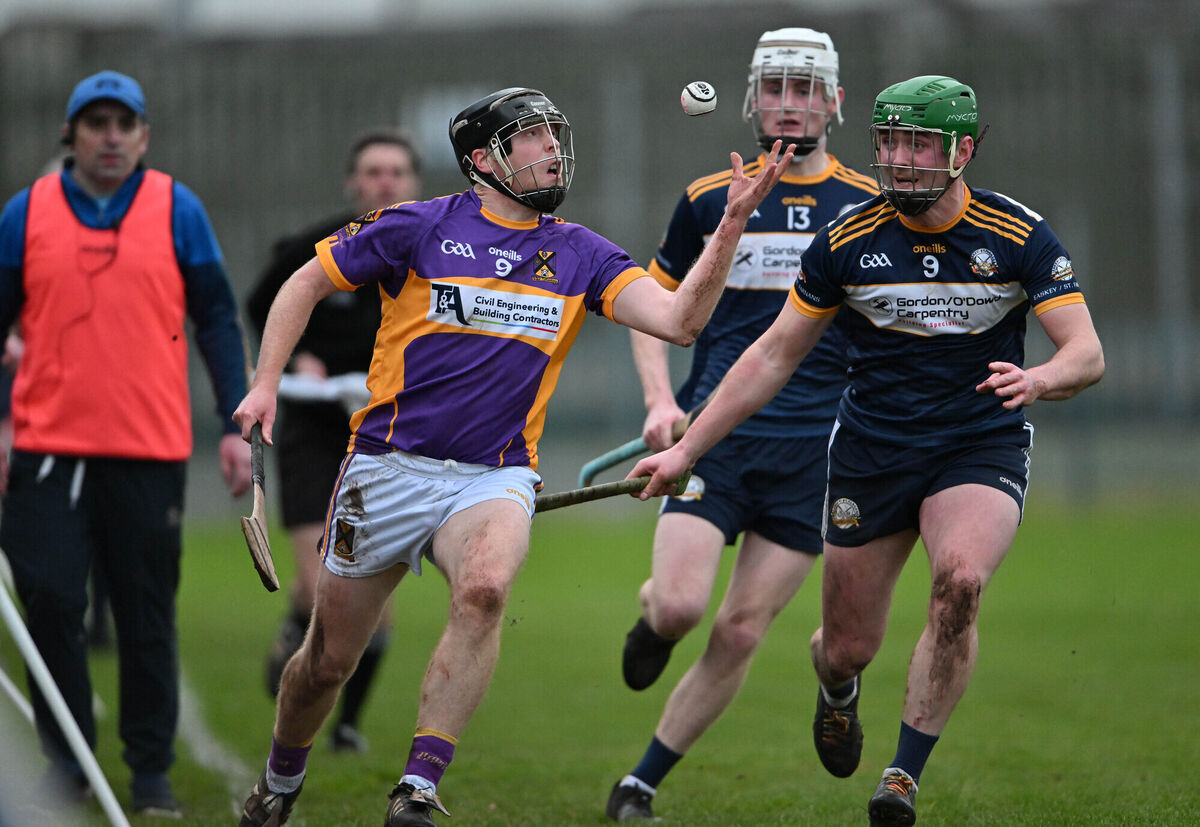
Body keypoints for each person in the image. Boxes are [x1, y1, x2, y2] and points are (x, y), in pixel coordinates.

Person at [233, 87, 794, 827]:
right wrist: (266, 382)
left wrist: (731, 222)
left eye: (554, 136)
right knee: (327, 662)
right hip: (386, 464)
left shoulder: (581, 252)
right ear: (482, 161)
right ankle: (280, 777)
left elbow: (679, 321)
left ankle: (419, 788)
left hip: (494, 473)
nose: (552, 150)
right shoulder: (416, 226)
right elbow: (305, 281)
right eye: (530, 139)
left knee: (487, 589)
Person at [628, 75, 1104, 827]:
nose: (900, 159)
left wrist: (1040, 376)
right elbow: (770, 357)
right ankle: (839, 689)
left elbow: (1085, 352)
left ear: (963, 149)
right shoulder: (848, 239)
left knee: (960, 584)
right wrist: (688, 448)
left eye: (919, 143)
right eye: (888, 142)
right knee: (846, 647)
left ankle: (901, 776)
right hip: (871, 454)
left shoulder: (1016, 234)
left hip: (978, 444)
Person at [606, 28, 877, 822]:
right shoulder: (703, 199)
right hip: (713, 442)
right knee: (683, 607)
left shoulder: (865, 207)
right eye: (775, 89)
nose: (789, 106)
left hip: (814, 457)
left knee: (742, 629)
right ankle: (654, 617)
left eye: (805, 90)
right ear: (753, 97)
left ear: (833, 102)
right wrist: (660, 401)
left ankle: (640, 782)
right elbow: (650, 309)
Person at [0, 70, 252, 816]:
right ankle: (69, 758)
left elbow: (214, 317)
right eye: (96, 122)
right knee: (47, 598)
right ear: (70, 134)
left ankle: (149, 768)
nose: (110, 136)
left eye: (124, 124)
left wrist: (235, 420)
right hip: (46, 451)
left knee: (145, 613)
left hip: (147, 448)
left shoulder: (178, 209)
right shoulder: (27, 212)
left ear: (143, 137)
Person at [247, 129, 423, 754]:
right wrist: (301, 357)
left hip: (388, 440)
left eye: (396, 172)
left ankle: (347, 725)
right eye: (373, 172)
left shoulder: (436, 253)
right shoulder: (318, 247)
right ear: (354, 182)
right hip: (316, 435)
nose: (385, 182)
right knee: (313, 585)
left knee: (374, 599)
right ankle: (295, 632)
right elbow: (261, 301)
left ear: (414, 182)